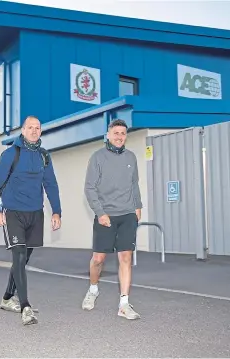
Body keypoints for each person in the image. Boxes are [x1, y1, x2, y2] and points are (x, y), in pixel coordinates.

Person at [0, 115, 62, 326]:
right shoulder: (11, 154)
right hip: (13, 213)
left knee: (23, 260)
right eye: (30, 127)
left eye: (37, 128)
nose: (34, 131)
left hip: (35, 214)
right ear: (23, 130)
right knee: (19, 256)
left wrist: (57, 212)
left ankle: (6, 298)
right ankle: (25, 306)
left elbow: (51, 185)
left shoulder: (44, 156)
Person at [83, 119, 142, 320]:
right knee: (98, 259)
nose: (119, 136)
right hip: (105, 215)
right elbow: (90, 188)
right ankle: (93, 289)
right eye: (116, 133)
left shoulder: (131, 157)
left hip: (127, 214)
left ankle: (124, 304)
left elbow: (134, 184)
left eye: (123, 133)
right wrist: (100, 213)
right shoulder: (98, 157)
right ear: (108, 135)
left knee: (125, 257)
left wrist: (138, 206)